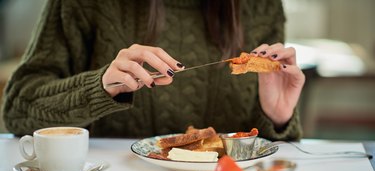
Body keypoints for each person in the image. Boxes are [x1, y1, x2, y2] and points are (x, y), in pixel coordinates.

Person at [1, 0, 305, 141]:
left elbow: (266, 156)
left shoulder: (262, 7)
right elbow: (17, 110)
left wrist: (276, 119)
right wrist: (98, 87)